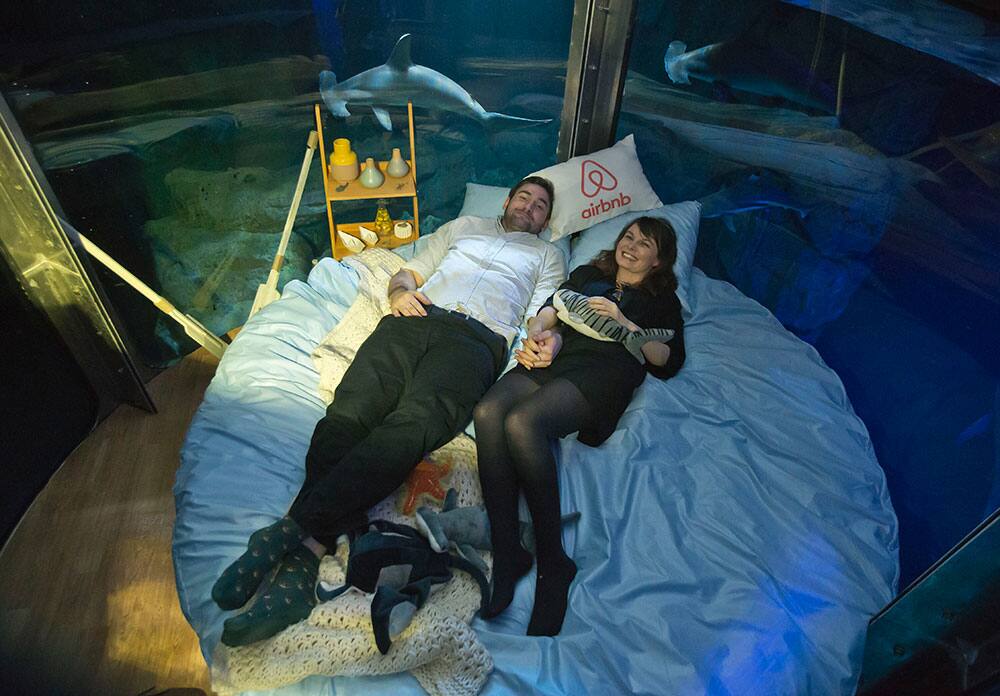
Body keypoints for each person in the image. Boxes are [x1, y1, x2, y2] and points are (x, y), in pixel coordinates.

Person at [211, 176, 566, 647]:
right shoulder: (464, 227)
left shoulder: (548, 255)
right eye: (524, 197)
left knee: (414, 424)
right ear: (507, 200)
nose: (530, 207)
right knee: (350, 413)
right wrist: (398, 294)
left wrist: (544, 336)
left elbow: (544, 311)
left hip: (477, 341)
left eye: (541, 206)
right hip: (414, 317)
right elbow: (408, 273)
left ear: (545, 220)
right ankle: (302, 559)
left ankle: (288, 537)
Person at [474, 215, 685, 636]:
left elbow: (668, 360)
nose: (631, 246)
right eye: (629, 237)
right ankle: (508, 548)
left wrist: (625, 324)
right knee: (487, 412)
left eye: (645, 244)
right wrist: (538, 336)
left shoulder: (662, 302)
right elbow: (551, 308)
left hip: (606, 370)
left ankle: (554, 562)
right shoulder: (590, 274)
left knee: (522, 422)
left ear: (659, 261)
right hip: (561, 356)